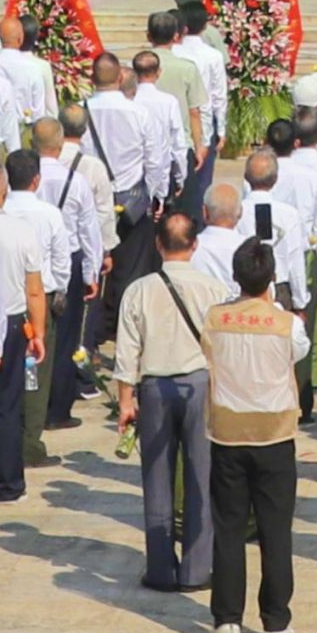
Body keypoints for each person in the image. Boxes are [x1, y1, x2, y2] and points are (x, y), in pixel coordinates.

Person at [201, 238, 305, 633]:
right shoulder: (287, 324)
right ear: (272, 277)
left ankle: (227, 620)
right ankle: (275, 621)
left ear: (236, 276)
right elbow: (298, 354)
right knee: (276, 531)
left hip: (228, 431)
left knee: (228, 529)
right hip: (274, 433)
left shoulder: (215, 318)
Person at [114, 206, 222, 599]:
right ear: (194, 246)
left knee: (157, 479)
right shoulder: (213, 289)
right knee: (200, 477)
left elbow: (127, 352)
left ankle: (160, 567)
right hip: (199, 386)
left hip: (155, 387)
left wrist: (126, 401)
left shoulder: (138, 290)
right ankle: (196, 568)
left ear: (158, 245)